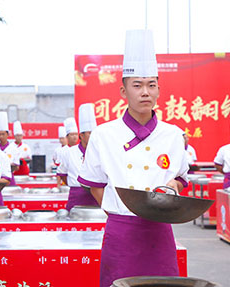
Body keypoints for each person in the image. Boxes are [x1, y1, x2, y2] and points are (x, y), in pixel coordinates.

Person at [77, 30, 189, 287]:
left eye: (151, 85)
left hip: (160, 230)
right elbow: (94, 184)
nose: (145, 92)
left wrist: (174, 186)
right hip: (121, 232)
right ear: (123, 90)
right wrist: (117, 210)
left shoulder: (172, 135)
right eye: (137, 85)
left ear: (159, 89)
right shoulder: (104, 135)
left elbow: (180, 177)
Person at [57, 103, 99, 211]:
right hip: (77, 197)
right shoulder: (70, 152)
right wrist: (74, 183)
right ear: (81, 135)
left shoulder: (100, 152)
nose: (93, 136)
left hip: (97, 196)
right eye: (89, 133)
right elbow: (62, 173)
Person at [0, 111, 20, 185]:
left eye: (3, 134)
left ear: (7, 134)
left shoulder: (13, 149)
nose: (1, 137)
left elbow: (17, 167)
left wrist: (10, 165)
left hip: (9, 178)